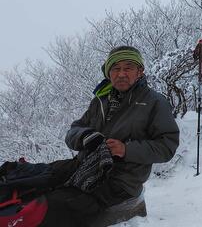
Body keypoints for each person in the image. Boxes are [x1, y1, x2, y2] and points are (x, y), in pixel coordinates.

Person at [41, 46, 179, 226]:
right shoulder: (101, 100)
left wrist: (126, 150)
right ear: (108, 73)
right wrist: (84, 136)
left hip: (122, 180)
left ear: (140, 71)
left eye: (128, 67)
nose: (121, 73)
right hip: (85, 166)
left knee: (58, 206)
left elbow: (167, 146)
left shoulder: (154, 102)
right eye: (116, 68)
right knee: (36, 180)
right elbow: (74, 130)